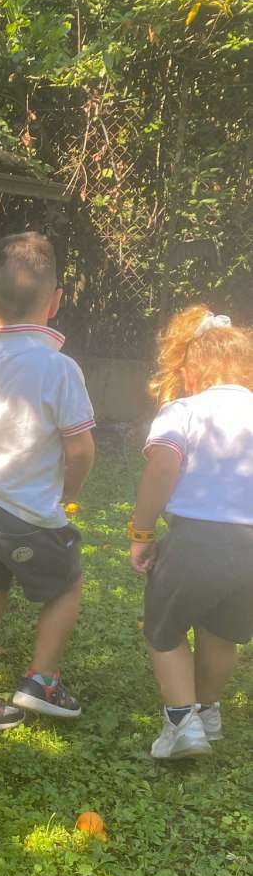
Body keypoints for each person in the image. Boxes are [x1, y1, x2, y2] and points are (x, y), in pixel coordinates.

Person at [0, 231, 96, 731]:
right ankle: (41, 682)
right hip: (23, 513)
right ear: (55, 302)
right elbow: (81, 449)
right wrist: (69, 494)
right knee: (67, 583)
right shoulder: (60, 369)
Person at [130, 307, 253, 759]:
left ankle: (182, 722)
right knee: (223, 633)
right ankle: (208, 711)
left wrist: (142, 532)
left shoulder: (184, 410)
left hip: (196, 541)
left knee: (164, 627)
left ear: (191, 371)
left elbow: (163, 468)